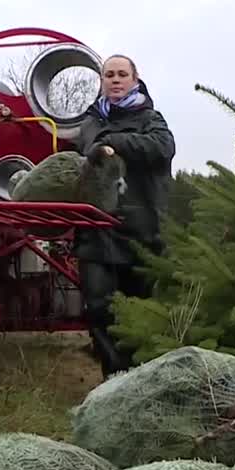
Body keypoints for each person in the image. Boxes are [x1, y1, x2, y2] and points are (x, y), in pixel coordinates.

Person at [73, 54, 176, 378]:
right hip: (96, 232)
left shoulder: (150, 117)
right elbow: (85, 154)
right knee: (99, 309)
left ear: (134, 79)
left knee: (139, 309)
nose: (115, 80)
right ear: (102, 81)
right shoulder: (90, 122)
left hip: (140, 231)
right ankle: (112, 380)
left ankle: (140, 378)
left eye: (121, 74)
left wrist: (115, 141)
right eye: (109, 75)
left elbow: (163, 147)